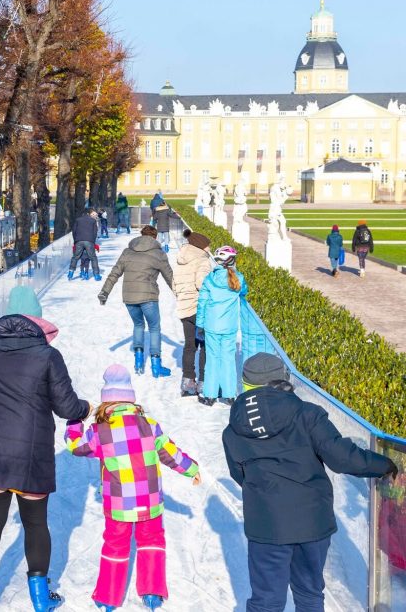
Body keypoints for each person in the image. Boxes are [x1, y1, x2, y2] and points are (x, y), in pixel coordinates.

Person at [223, 353, 398, 612]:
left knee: (266, 600)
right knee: (309, 593)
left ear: (245, 385)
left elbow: (239, 475)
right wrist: (385, 464)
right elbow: (343, 458)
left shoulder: (233, 430)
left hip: (266, 525)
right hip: (311, 521)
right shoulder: (307, 414)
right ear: (282, 380)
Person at [0, 285, 91, 611]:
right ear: (37, 320)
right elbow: (66, 407)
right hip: (30, 451)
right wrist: (85, 408)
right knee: (35, 523)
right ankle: (39, 595)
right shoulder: (48, 355)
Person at [67, 365, 201, 612]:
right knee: (151, 540)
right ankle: (151, 593)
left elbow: (75, 446)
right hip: (150, 502)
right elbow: (170, 453)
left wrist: (74, 422)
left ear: (106, 402)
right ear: (131, 400)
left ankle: (107, 598)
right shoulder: (149, 424)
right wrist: (192, 468)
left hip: (118, 503)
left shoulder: (99, 430)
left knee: (115, 544)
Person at [98, 226, 174, 377]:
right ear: (155, 237)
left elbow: (115, 273)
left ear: (141, 235)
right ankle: (156, 366)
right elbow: (170, 277)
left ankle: (138, 362)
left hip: (130, 297)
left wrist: (104, 292)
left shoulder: (128, 252)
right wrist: (182, 295)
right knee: (154, 328)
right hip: (149, 297)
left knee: (138, 325)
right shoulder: (159, 254)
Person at [196, 245, 246, 407]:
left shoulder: (209, 279)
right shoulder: (239, 278)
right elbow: (244, 291)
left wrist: (200, 325)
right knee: (228, 359)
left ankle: (210, 395)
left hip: (212, 325)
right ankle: (229, 394)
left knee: (212, 359)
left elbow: (202, 303)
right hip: (229, 326)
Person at [174, 230, 214, 397]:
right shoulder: (203, 260)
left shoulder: (180, 260)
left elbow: (174, 285)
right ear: (202, 246)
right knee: (205, 346)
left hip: (184, 307)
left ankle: (188, 382)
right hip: (200, 309)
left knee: (190, 346)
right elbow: (202, 284)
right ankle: (204, 382)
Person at [68, 208, 101, 281]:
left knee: (75, 257)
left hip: (79, 240)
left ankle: (70, 273)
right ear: (88, 214)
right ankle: (96, 275)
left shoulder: (78, 220)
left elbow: (74, 231)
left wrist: (76, 241)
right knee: (93, 258)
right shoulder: (93, 221)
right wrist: (93, 242)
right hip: (89, 241)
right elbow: (95, 232)